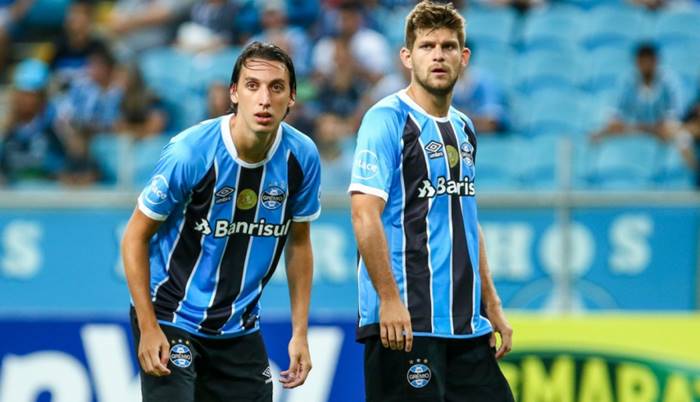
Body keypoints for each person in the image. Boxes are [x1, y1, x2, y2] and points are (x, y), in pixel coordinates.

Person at [121, 41, 321, 402]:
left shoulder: (302, 156)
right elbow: (134, 236)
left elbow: (299, 242)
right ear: (234, 93)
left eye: (276, 87)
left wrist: (300, 333)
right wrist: (148, 327)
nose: (264, 99)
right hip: (171, 316)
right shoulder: (191, 152)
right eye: (252, 86)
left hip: (238, 328)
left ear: (292, 97)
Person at [348, 2, 514, 401]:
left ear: (463, 57)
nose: (438, 55)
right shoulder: (386, 119)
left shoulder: (464, 127)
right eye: (427, 46)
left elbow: (464, 218)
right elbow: (364, 215)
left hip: (466, 326)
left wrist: (491, 302)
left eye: (448, 46)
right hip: (406, 322)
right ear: (407, 57)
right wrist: (389, 300)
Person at [593, 42, 682, 142]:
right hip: (633, 127)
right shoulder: (627, 81)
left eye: (649, 61)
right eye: (642, 61)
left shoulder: (669, 81)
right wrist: (615, 120)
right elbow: (617, 109)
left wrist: (667, 123)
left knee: (677, 134)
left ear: (656, 61)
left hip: (660, 128)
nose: (646, 65)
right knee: (600, 132)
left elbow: (675, 111)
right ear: (636, 62)